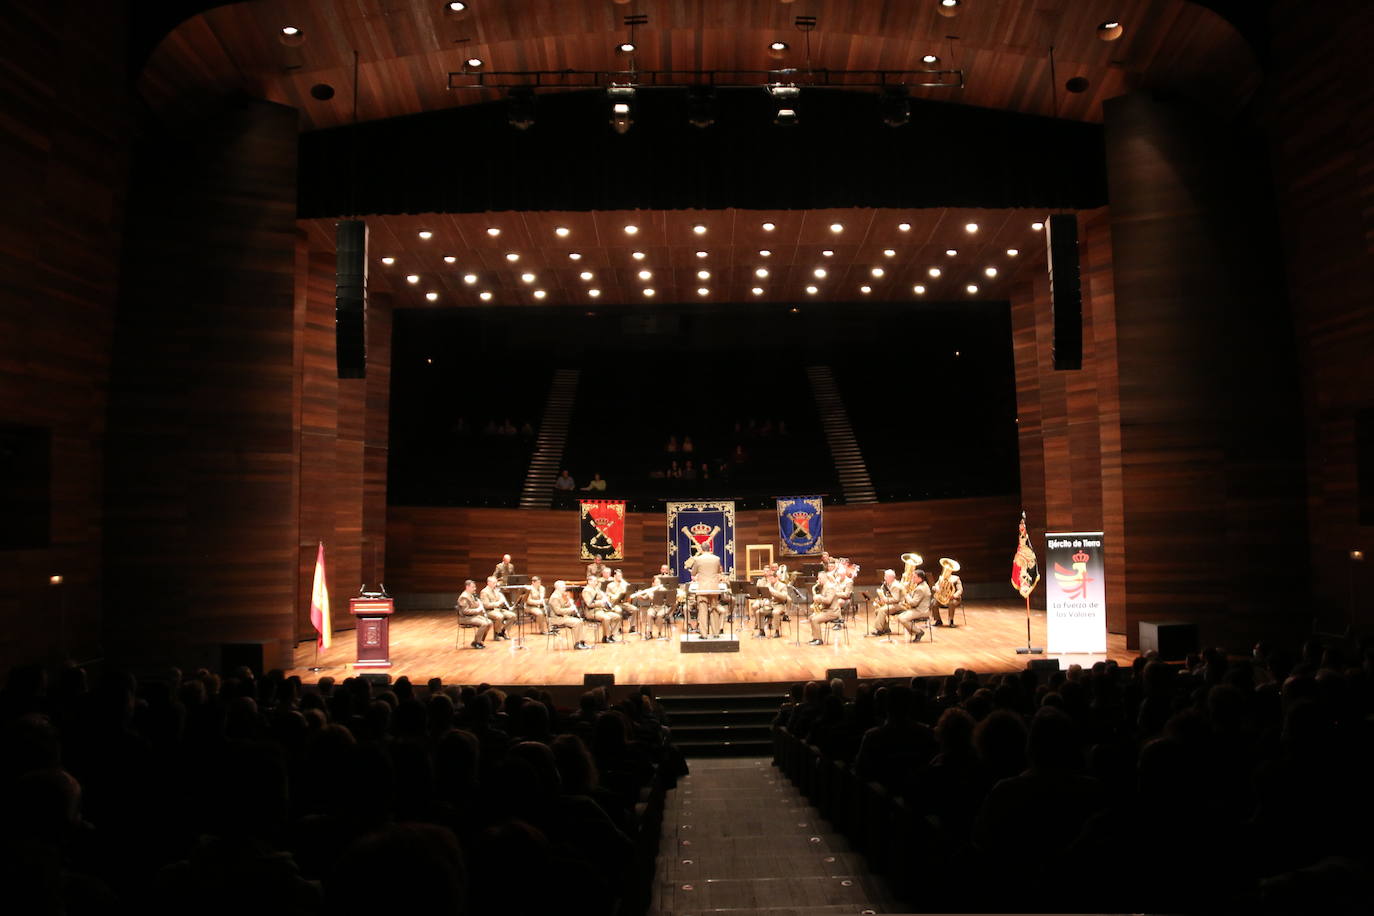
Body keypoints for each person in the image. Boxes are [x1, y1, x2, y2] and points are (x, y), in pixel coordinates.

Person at [689, 544, 726, 636]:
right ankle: (716, 633)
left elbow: (693, 573)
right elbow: (718, 571)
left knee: (703, 611)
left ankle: (704, 634)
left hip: (703, 588)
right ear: (709, 549)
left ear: (701, 549)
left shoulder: (698, 559)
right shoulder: (716, 559)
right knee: (714, 610)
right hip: (714, 588)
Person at [548, 580, 590, 649]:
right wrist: (570, 609)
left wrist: (568, 604)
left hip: (562, 617)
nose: (565, 588)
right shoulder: (554, 597)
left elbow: (561, 606)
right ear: (558, 587)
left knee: (581, 621)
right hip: (556, 619)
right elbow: (558, 611)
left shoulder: (559, 595)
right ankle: (577, 644)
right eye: (563, 587)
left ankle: (581, 642)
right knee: (577, 622)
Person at [898, 568, 933, 642]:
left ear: (920, 578)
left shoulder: (921, 588)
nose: (912, 578)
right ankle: (915, 632)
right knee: (900, 616)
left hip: (921, 611)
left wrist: (905, 593)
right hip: (918, 609)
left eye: (914, 577)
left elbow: (913, 603)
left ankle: (919, 632)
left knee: (903, 619)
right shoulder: (921, 585)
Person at [582, 576, 621, 643]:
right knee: (606, 618)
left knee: (617, 616)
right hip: (592, 612)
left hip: (601, 610)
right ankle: (606, 637)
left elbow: (602, 596)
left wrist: (606, 598)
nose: (596, 583)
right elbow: (589, 604)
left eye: (596, 581)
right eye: (594, 581)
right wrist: (600, 602)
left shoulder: (596, 589)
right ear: (589, 581)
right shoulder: (586, 591)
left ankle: (612, 635)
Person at [808, 570, 842, 644]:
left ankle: (819, 640)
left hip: (832, 612)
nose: (818, 580)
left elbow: (828, 600)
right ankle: (815, 637)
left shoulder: (830, 587)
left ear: (824, 578)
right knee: (811, 617)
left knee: (815, 620)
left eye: (819, 578)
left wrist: (819, 598)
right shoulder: (825, 586)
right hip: (826, 610)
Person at [456, 579, 491, 648]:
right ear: (467, 587)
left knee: (489, 622)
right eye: (473, 587)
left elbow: (473, 605)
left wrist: (479, 603)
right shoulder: (464, 596)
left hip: (472, 616)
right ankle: (476, 642)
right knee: (484, 623)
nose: (475, 589)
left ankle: (480, 640)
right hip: (465, 618)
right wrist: (477, 610)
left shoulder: (471, 595)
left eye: (475, 587)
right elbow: (465, 611)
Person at [754, 568, 790, 637]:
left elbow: (784, 597)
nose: (770, 580)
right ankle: (762, 631)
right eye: (769, 579)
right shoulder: (768, 585)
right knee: (759, 612)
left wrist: (773, 591)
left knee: (775, 612)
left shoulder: (782, 586)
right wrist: (763, 602)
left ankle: (777, 631)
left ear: (776, 578)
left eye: (772, 578)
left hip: (779, 605)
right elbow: (764, 596)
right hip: (770, 605)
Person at [480, 576, 514, 640]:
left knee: (512, 615)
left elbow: (500, 600)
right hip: (489, 611)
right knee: (499, 616)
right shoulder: (484, 592)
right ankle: (497, 634)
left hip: (498, 609)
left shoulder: (496, 590)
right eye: (494, 583)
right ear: (488, 583)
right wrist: (497, 603)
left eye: (496, 582)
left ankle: (503, 632)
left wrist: (502, 600)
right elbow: (486, 605)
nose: (495, 584)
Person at [870, 569, 902, 637]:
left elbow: (896, 599)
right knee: (877, 611)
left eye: (886, 576)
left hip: (899, 605)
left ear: (891, 577)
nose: (884, 578)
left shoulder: (895, 585)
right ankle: (886, 629)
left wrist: (884, 599)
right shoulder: (889, 584)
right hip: (893, 604)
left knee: (882, 610)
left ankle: (879, 630)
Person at [934, 557, 963, 628]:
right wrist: (936, 588)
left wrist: (954, 595)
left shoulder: (956, 578)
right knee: (933, 603)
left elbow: (960, 590)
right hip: (942, 598)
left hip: (954, 599)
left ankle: (951, 620)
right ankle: (938, 620)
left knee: (951, 603)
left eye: (948, 569)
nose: (946, 570)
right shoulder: (941, 578)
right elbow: (935, 586)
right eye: (945, 569)